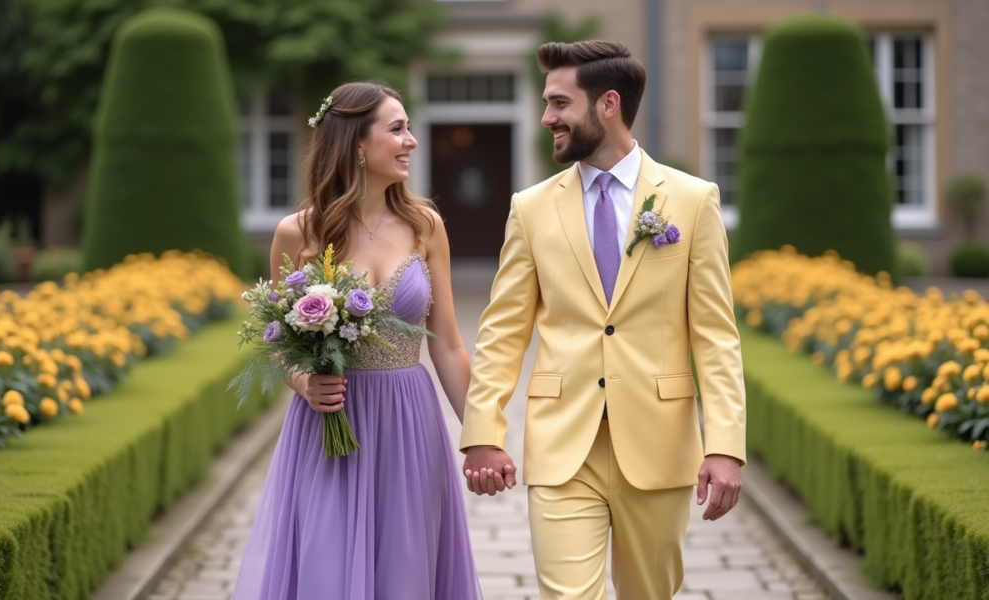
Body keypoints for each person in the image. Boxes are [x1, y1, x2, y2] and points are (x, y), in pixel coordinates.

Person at [459, 40, 747, 599]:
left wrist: (725, 446)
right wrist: (482, 433)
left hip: (659, 444)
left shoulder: (692, 201)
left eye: (559, 103)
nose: (547, 118)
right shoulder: (531, 208)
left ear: (607, 104)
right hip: (563, 444)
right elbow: (502, 333)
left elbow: (715, 336)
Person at [232, 81, 482, 600]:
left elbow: (449, 344)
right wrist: (303, 382)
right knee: (326, 571)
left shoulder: (425, 227)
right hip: (330, 425)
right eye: (398, 129)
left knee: (405, 574)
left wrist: (482, 435)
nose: (412, 140)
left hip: (409, 424)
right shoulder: (296, 233)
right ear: (357, 145)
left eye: (409, 128)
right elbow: (278, 337)